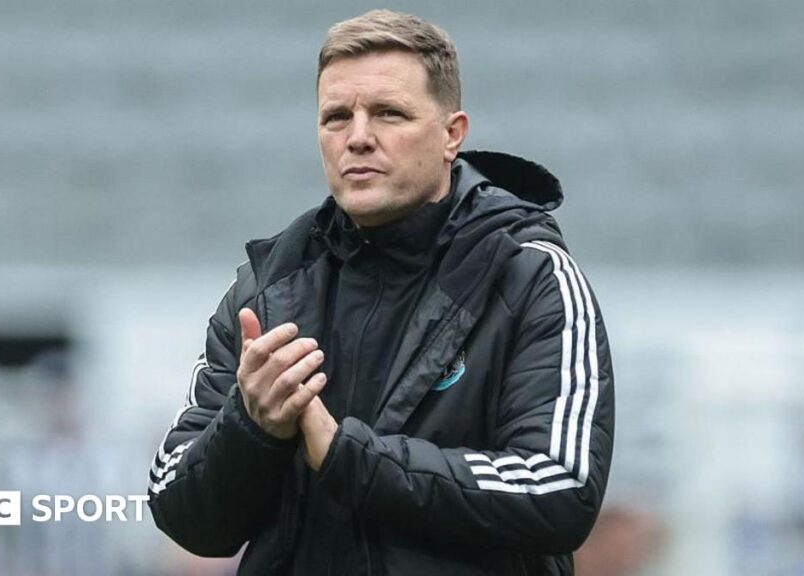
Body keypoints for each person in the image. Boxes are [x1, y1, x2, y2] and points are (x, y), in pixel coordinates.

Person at [148, 9, 614, 575]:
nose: (359, 137)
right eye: (336, 117)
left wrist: (350, 457)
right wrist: (252, 427)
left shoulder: (531, 277)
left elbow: (561, 490)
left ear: (452, 135)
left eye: (388, 113)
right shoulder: (266, 289)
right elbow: (182, 511)